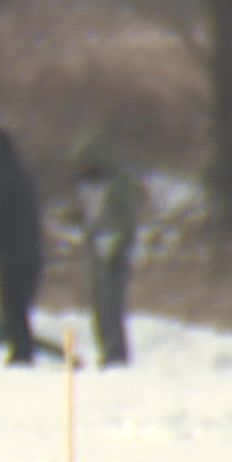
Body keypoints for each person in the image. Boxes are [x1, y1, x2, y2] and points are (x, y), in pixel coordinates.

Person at [0, 128, 43, 365]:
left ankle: (22, 354)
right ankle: (21, 351)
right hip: (28, 252)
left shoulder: (3, 180)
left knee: (13, 307)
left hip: (14, 254)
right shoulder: (20, 176)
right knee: (16, 307)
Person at [73, 133, 141, 368]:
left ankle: (116, 357)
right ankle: (106, 352)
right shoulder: (88, 186)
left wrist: (120, 246)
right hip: (96, 253)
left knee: (112, 306)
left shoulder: (118, 183)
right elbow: (90, 217)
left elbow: (127, 219)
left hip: (115, 253)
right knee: (99, 308)